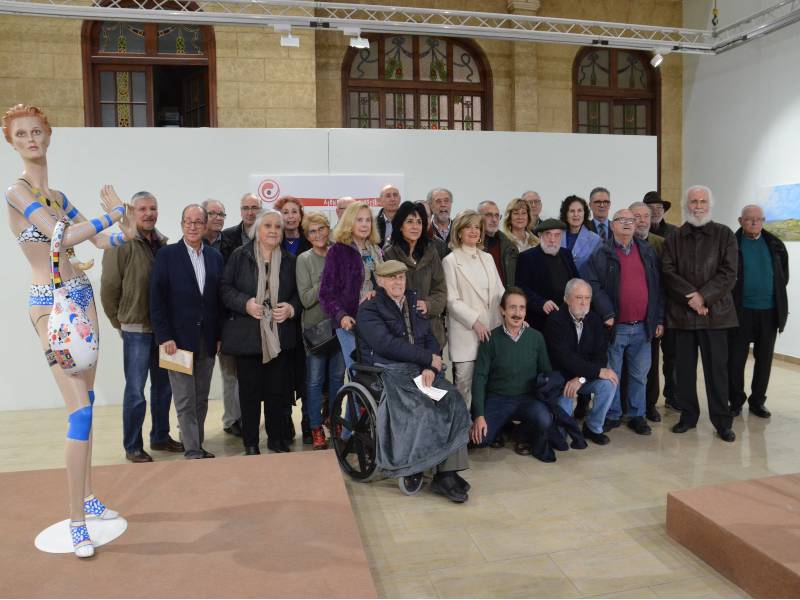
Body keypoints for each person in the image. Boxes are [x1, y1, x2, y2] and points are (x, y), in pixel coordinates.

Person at [4, 104, 132, 557]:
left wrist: (128, 222)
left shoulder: (58, 192)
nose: (31, 139)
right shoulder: (17, 193)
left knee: (90, 403)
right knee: (77, 412)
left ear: (49, 135)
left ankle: (89, 498)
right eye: (21, 134)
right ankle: (77, 519)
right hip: (49, 306)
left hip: (82, 299)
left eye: (37, 131)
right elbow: (61, 236)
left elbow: (100, 240)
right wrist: (111, 216)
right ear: (12, 141)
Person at [356, 260, 472, 503]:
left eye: (401, 277)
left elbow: (429, 338)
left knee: (452, 400)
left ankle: (447, 472)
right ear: (380, 281)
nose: (398, 282)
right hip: (389, 372)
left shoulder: (413, 303)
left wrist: (430, 365)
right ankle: (422, 463)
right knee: (423, 406)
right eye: (392, 277)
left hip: (419, 370)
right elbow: (385, 345)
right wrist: (427, 359)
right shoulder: (369, 309)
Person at [101, 190, 181, 463]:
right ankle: (133, 445)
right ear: (132, 212)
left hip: (164, 332)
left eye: (153, 208)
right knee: (135, 390)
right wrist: (120, 322)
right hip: (136, 329)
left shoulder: (163, 244)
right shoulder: (119, 244)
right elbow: (109, 288)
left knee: (163, 388)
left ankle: (160, 436)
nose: (149, 213)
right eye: (142, 209)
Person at [221, 209, 301, 454]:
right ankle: (251, 443)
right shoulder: (239, 256)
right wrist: (245, 303)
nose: (274, 231)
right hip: (247, 338)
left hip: (279, 337)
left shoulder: (289, 260)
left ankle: (276, 440)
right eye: (268, 226)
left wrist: (290, 308)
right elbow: (225, 288)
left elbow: (298, 295)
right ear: (258, 230)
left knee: (278, 392)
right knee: (249, 394)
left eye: (277, 227)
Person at [662, 185, 737, 442]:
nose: (698, 206)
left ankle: (722, 422)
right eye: (693, 202)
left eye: (702, 201)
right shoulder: (674, 237)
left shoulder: (725, 234)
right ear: (686, 205)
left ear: (710, 205)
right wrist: (692, 299)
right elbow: (668, 272)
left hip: (716, 315)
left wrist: (703, 297)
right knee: (683, 371)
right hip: (682, 316)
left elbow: (729, 273)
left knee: (717, 371)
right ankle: (688, 417)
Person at [150, 204, 225, 459]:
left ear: (205, 226)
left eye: (198, 222)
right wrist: (164, 337)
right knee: (184, 399)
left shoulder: (215, 257)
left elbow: (217, 301)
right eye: (188, 221)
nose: (193, 226)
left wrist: (218, 336)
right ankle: (193, 449)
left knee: (201, 397)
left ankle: (196, 443)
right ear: (182, 224)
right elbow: (156, 300)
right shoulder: (167, 255)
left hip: (206, 340)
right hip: (176, 342)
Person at [581, 209, 664, 436]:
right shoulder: (601, 252)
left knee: (639, 375)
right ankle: (613, 414)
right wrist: (607, 312)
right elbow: (592, 285)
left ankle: (637, 415)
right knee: (613, 373)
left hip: (643, 327)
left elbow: (657, 287)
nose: (627, 224)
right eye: (621, 220)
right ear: (612, 225)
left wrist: (658, 318)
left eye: (631, 220)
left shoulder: (646, 250)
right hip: (615, 327)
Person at [470, 288, 555, 462]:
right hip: (497, 399)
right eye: (512, 308)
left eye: (522, 308)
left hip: (527, 399)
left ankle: (520, 434)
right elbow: (479, 379)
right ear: (502, 310)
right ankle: (502, 428)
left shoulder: (536, 338)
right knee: (481, 441)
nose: (517, 313)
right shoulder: (490, 338)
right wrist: (479, 416)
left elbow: (547, 372)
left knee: (544, 419)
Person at [728, 204, 789, 419]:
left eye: (758, 219)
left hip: (769, 312)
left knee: (764, 360)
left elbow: (783, 277)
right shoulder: (732, 244)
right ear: (740, 221)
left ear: (763, 221)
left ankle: (757, 402)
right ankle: (735, 402)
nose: (754, 222)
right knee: (735, 360)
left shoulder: (775, 244)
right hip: (740, 312)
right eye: (749, 219)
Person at [442, 209, 504, 409]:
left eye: (477, 227)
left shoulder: (487, 258)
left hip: (492, 331)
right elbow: (451, 301)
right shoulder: (450, 261)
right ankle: (463, 433)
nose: (474, 231)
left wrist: (514, 314)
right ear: (458, 231)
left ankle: (484, 430)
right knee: (464, 386)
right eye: (468, 226)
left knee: (489, 384)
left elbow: (500, 292)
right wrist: (475, 321)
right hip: (467, 333)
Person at [545, 279, 619, 445]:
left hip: (581, 378)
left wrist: (581, 379)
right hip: (561, 380)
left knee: (610, 382)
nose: (584, 302)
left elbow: (600, 357)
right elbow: (564, 358)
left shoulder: (594, 320)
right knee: (560, 437)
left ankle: (593, 428)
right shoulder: (555, 321)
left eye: (587, 298)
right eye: (578, 297)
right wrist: (591, 373)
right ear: (566, 299)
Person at [296, 212, 344, 450]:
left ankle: (335, 421)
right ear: (307, 235)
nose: (318, 235)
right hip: (315, 331)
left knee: (337, 379)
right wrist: (326, 279)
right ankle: (315, 428)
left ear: (329, 229)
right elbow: (305, 299)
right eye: (312, 231)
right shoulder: (304, 260)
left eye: (321, 229)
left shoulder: (340, 253)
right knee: (314, 382)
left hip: (340, 327)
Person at [319, 201, 383, 375]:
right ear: (349, 222)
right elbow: (325, 293)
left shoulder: (376, 251)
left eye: (368, 220)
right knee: (358, 374)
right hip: (350, 322)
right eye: (359, 220)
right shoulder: (337, 251)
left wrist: (377, 291)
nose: (364, 224)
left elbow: (385, 285)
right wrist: (341, 316)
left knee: (375, 375)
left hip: (376, 319)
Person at [383, 201, 448, 349]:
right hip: (402, 332)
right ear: (400, 225)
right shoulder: (389, 253)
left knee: (435, 372)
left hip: (431, 332)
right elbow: (386, 294)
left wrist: (429, 305)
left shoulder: (431, 251)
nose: (415, 226)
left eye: (419, 222)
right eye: (410, 222)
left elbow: (440, 289)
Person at [202, 198, 241, 437]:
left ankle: (232, 420)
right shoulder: (189, 242)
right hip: (199, 320)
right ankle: (189, 428)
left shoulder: (230, 243)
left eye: (221, 214)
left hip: (226, 318)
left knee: (230, 373)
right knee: (196, 378)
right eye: (212, 213)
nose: (217, 217)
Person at [274, 195, 311, 443]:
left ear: (300, 215)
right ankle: (285, 426)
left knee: (308, 378)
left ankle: (310, 424)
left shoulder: (311, 243)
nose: (290, 217)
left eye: (294, 212)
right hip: (281, 321)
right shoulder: (273, 245)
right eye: (285, 212)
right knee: (282, 378)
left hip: (307, 320)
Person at [630, 201, 671, 422]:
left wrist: (659, 318)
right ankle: (628, 406)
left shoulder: (660, 245)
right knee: (628, 366)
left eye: (645, 216)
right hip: (627, 317)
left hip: (651, 316)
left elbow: (664, 284)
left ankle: (649, 404)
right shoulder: (620, 244)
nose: (642, 221)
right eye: (637, 217)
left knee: (651, 364)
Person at [514, 219, 578, 332]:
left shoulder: (566, 254)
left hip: (567, 319)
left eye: (557, 235)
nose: (552, 240)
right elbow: (520, 289)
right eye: (548, 234)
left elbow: (576, 282)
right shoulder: (527, 257)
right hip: (540, 321)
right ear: (540, 236)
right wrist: (541, 303)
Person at [477, 200, 519, 287]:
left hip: (504, 297)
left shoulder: (510, 247)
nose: (494, 220)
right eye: (489, 215)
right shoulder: (472, 245)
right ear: (478, 218)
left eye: (497, 215)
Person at [559, 195, 602, 271]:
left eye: (579, 211)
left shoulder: (595, 239)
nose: (576, 214)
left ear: (584, 213)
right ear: (566, 214)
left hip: (584, 282)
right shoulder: (556, 236)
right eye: (572, 211)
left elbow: (599, 270)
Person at [220, 193, 261, 262]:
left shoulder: (269, 235)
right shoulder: (227, 235)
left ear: (261, 211)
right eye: (245, 208)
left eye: (254, 208)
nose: (250, 213)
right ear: (241, 211)